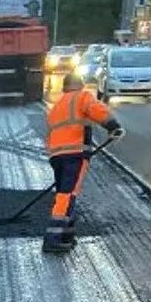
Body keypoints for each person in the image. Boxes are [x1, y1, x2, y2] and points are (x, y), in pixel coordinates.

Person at [45, 73, 124, 251]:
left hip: (56, 156)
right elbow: (98, 111)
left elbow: (49, 136)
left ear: (65, 88)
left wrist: (54, 156)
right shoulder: (82, 97)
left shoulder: (57, 106)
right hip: (74, 154)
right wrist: (114, 127)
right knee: (67, 195)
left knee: (65, 194)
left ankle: (66, 234)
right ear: (79, 85)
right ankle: (53, 238)